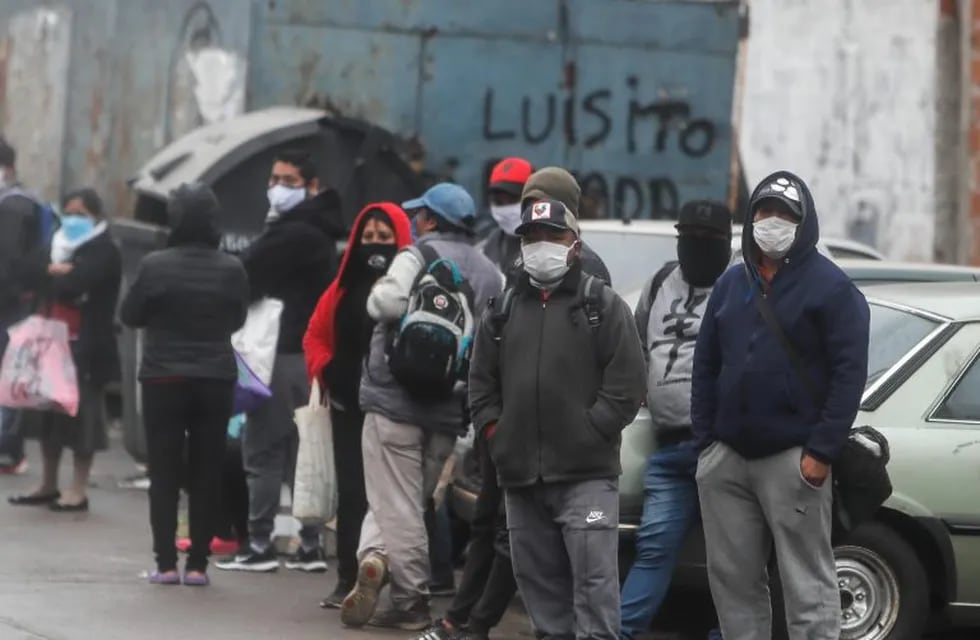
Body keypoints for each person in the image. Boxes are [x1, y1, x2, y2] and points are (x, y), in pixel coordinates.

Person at [692, 171, 870, 640]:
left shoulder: (832, 289)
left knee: (807, 584)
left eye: (785, 214)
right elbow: (706, 362)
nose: (773, 222)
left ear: (804, 221)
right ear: (750, 219)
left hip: (794, 460)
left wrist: (821, 452)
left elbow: (849, 375)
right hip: (726, 458)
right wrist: (705, 443)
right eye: (764, 212)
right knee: (733, 581)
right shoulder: (731, 285)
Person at [469, 197, 646, 640]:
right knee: (538, 586)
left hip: (586, 483)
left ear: (574, 244)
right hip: (522, 481)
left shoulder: (601, 305)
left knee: (595, 584)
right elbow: (481, 384)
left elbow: (628, 383)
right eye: (532, 238)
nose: (541, 245)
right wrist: (498, 434)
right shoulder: (501, 310)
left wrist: (591, 431)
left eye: (553, 236)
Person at [340, 183, 503, 631]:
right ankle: (375, 559)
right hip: (448, 406)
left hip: (394, 399)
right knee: (404, 499)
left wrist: (384, 289)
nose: (414, 222)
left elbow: (383, 302)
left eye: (420, 215)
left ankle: (411, 599)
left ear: (432, 220)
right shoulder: (490, 272)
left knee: (400, 503)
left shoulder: (415, 256)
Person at [218, 149, 343, 574]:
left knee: (264, 453)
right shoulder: (319, 230)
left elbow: (247, 277)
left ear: (311, 186)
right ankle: (309, 546)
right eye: (275, 179)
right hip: (306, 357)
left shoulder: (293, 233)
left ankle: (259, 545)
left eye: (289, 181)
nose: (277, 188)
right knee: (301, 456)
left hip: (280, 354)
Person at [120, 182, 249, 586]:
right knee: (207, 470)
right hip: (214, 378)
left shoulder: (155, 264)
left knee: (164, 469)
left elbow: (130, 314)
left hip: (164, 377)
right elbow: (239, 319)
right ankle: (197, 565)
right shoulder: (232, 268)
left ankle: (164, 564)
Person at [619, 200, 732, 640]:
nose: (697, 248)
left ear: (725, 245)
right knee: (653, 547)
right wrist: (640, 383)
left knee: (733, 557)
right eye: (690, 239)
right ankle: (619, 633)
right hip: (669, 449)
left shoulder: (740, 284)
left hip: (723, 447)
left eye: (707, 242)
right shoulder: (661, 280)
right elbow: (634, 340)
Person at [303, 202, 413, 608]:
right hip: (349, 407)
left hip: (395, 410)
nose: (375, 245)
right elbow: (314, 335)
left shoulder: (409, 289)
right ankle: (348, 577)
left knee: (398, 499)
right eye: (368, 238)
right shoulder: (340, 291)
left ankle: (406, 583)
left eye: (385, 238)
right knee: (352, 496)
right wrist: (326, 368)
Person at [7, 189, 121, 512]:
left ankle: (78, 488)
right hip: (47, 345)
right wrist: (55, 271)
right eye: (68, 212)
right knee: (46, 418)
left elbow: (77, 285)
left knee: (82, 419)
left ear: (96, 217)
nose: (73, 220)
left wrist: (59, 275)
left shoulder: (105, 250)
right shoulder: (55, 244)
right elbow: (24, 271)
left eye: (81, 214)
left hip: (84, 347)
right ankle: (49, 482)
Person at [0, 137, 47, 474]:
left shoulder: (15, 206)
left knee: (9, 373)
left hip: (11, 304)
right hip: (13, 301)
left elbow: (9, 262)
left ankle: (8, 449)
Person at [515, 167, 612, 286]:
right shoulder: (520, 264)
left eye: (545, 208)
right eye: (531, 208)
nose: (537, 217)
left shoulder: (589, 270)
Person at [478, 157, 533, 270]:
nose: (507, 208)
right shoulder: (486, 249)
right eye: (499, 202)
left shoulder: (557, 246)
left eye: (514, 199)